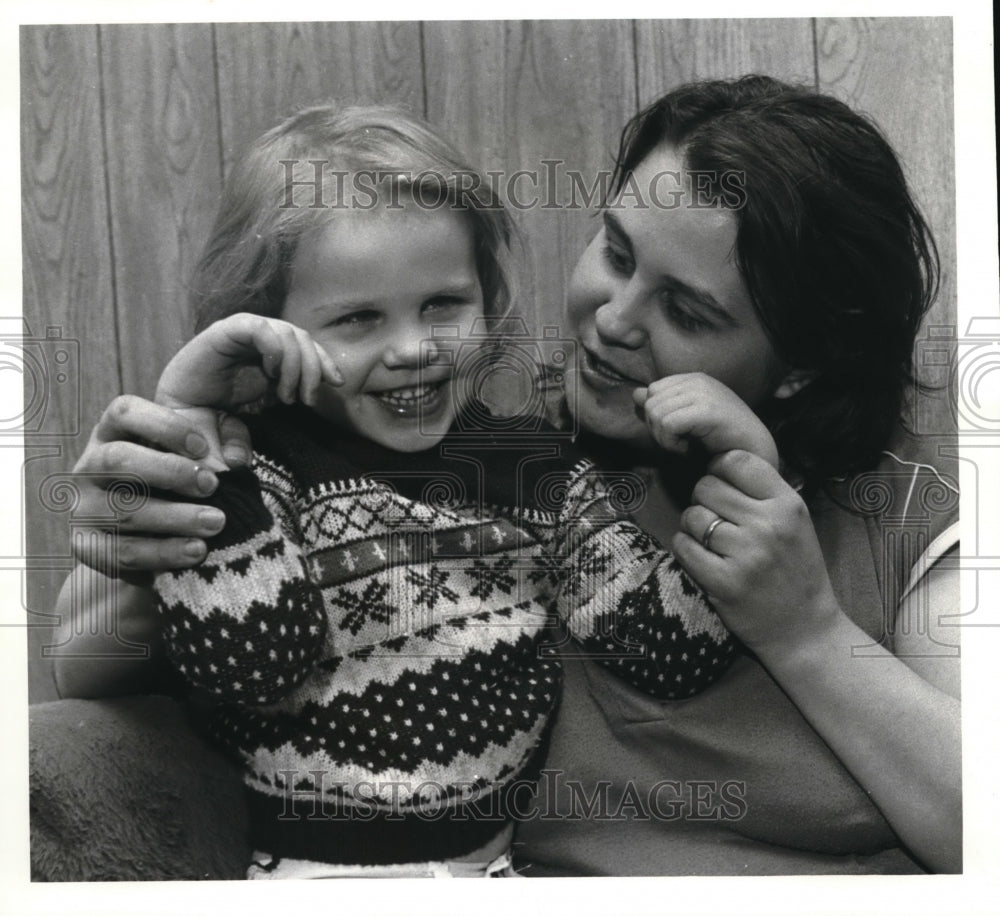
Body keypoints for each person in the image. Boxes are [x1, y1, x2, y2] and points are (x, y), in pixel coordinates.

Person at [50, 76, 961, 875]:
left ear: (800, 363)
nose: (613, 320)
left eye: (686, 309)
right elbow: (91, 661)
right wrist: (158, 522)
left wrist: (803, 629)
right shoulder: (494, 444)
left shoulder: (905, 502)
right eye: (614, 251)